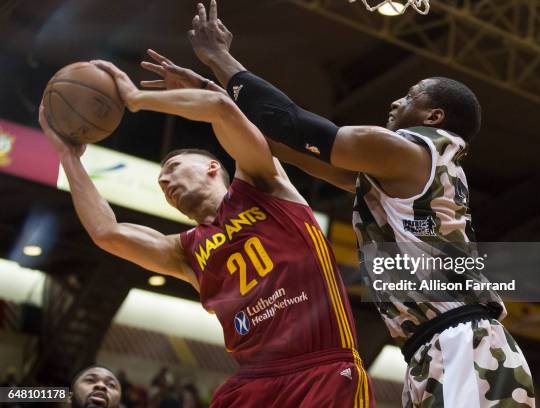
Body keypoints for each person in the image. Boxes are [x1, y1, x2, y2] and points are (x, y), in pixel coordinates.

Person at [179, 2, 536, 407]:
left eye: (410, 96)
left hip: (465, 345)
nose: (395, 102)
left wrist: (218, 57)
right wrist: (214, 99)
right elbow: (283, 149)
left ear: (434, 116)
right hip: (430, 349)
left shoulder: (408, 154)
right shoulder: (403, 173)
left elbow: (291, 123)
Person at [38, 54, 372, 407]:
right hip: (251, 384)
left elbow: (219, 107)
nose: (165, 180)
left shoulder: (263, 185)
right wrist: (70, 158)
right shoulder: (185, 251)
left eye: (174, 167)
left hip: (321, 369)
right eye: (161, 179)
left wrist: (136, 99)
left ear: (213, 167)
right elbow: (107, 232)